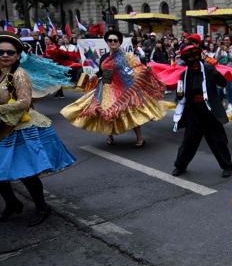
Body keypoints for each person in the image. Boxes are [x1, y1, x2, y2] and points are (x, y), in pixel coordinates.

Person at [0, 32, 76, 226]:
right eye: (1, 52)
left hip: (20, 127)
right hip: (3, 125)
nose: (5, 55)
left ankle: (42, 207)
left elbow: (24, 103)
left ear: (17, 56)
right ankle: (12, 203)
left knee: (26, 172)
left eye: (11, 52)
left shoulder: (18, 75)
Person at [61, 30, 166, 147]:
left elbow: (136, 67)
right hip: (106, 87)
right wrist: (91, 78)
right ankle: (109, 135)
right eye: (110, 40)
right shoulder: (104, 57)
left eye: (115, 40)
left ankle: (139, 137)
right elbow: (101, 72)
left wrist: (143, 73)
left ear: (119, 42)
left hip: (124, 87)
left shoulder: (126, 56)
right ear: (107, 42)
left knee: (131, 111)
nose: (112, 42)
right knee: (105, 111)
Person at [171, 44, 232, 178]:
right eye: (190, 58)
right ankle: (180, 166)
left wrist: (215, 73)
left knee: (218, 141)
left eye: (195, 56)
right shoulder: (184, 75)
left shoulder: (208, 69)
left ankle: (227, 166)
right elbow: (180, 96)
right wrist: (179, 93)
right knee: (188, 142)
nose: (193, 60)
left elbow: (223, 83)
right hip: (193, 113)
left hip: (210, 112)